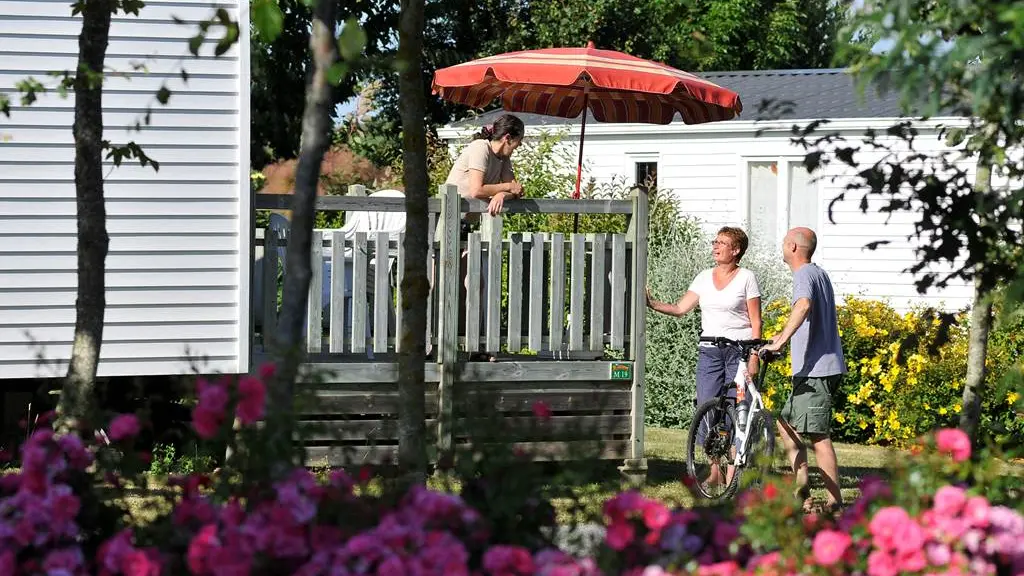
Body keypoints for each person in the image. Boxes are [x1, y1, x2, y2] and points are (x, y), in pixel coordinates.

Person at [646, 226, 762, 489]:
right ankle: (715, 471)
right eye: (715, 241)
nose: (715, 246)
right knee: (708, 406)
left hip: (739, 350)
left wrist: (753, 355)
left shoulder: (746, 277)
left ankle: (733, 472)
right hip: (710, 350)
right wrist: (651, 303)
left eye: (722, 243)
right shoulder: (702, 277)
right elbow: (680, 308)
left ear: (736, 250)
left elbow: (756, 322)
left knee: (736, 408)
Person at [761, 227, 846, 515]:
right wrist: (779, 340)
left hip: (817, 372)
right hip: (814, 370)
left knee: (818, 436)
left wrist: (781, 340)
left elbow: (804, 306)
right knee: (786, 425)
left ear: (794, 247)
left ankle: (835, 504)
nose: (782, 246)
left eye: (785, 242)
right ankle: (803, 492)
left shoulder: (804, 275)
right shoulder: (818, 274)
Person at [445, 113, 525, 222]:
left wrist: (501, 195)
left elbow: (516, 190)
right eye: (519, 140)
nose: (520, 145)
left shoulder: (504, 157)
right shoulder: (481, 147)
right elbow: (476, 190)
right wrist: (507, 187)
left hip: (467, 221)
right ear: (508, 138)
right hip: (450, 217)